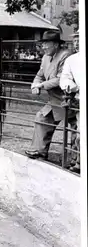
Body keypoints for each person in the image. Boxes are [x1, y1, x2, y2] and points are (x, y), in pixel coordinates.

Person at [25, 30, 74, 161]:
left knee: (77, 127)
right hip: (55, 99)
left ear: (56, 44)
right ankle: (39, 151)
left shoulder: (66, 56)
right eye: (43, 44)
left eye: (47, 44)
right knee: (42, 117)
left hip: (70, 100)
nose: (44, 47)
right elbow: (39, 75)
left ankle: (77, 160)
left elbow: (60, 79)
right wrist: (35, 84)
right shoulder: (46, 57)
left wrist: (41, 85)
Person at [60, 31, 81, 172]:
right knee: (79, 133)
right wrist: (74, 87)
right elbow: (65, 78)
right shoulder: (72, 60)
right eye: (75, 40)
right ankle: (78, 161)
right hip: (80, 99)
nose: (78, 43)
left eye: (81, 39)